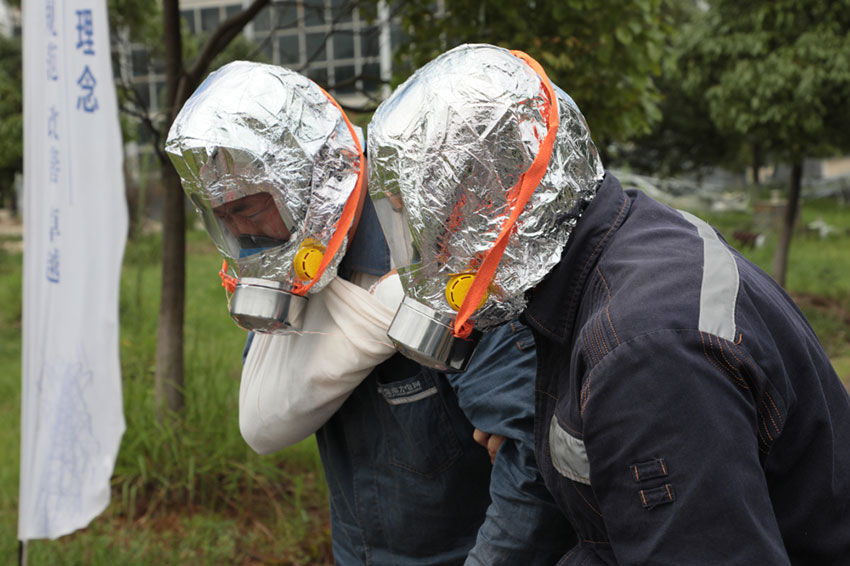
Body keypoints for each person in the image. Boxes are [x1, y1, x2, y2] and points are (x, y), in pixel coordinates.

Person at [367, 43, 850, 565]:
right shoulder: (615, 243)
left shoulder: (643, 354)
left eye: (420, 221)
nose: (426, 256)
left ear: (484, 204)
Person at [166, 60, 571, 565]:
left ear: (309, 177)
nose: (244, 237)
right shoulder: (296, 260)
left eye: (247, 210)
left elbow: (532, 462)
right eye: (221, 217)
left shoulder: (437, 256)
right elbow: (267, 415)